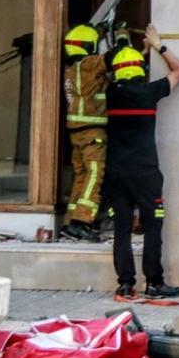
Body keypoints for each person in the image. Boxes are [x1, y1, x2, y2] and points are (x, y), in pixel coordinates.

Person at [103, 23, 179, 299]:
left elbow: (119, 70)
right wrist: (158, 46)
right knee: (152, 227)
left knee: (122, 229)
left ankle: (126, 284)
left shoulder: (111, 94)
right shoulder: (150, 92)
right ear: (140, 69)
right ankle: (155, 282)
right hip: (145, 173)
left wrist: (139, 51)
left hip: (116, 173)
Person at [60, 24, 109, 242]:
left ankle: (70, 221)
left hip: (77, 132)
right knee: (94, 176)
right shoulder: (88, 65)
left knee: (81, 176)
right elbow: (114, 58)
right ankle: (82, 221)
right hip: (92, 133)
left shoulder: (71, 69)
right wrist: (124, 37)